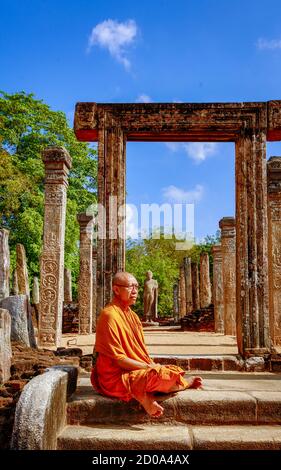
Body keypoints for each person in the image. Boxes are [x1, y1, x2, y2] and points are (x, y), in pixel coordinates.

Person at [91, 271, 202, 418]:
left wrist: (152, 365)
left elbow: (140, 353)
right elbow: (119, 360)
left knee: (169, 371)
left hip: (133, 371)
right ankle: (147, 396)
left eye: (137, 287)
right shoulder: (109, 315)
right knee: (160, 375)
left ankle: (147, 391)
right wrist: (150, 367)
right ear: (116, 289)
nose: (135, 291)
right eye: (130, 287)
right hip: (115, 377)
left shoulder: (133, 317)